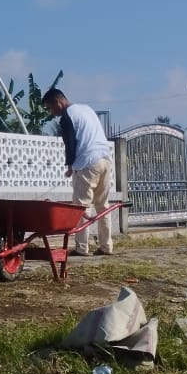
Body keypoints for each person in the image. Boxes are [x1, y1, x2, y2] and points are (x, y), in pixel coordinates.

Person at [44, 89, 116, 256]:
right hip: (105, 159)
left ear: (58, 102)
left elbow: (70, 144)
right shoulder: (86, 109)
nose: (52, 113)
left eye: (50, 107)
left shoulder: (67, 117)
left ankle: (81, 248)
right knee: (103, 206)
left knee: (81, 207)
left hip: (87, 163)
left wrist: (70, 166)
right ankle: (106, 246)